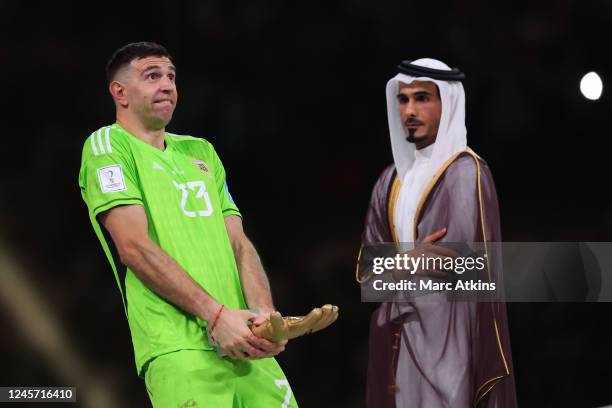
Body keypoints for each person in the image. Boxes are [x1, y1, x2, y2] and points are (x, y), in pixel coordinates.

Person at [78, 42, 297, 407]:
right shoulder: (107, 147)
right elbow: (133, 247)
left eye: (171, 77)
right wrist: (216, 316)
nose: (167, 85)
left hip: (244, 341)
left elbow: (239, 242)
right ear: (120, 92)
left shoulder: (201, 152)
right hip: (178, 347)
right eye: (152, 76)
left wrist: (263, 314)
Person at [357, 59, 517, 407]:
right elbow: (369, 280)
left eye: (423, 98)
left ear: (448, 103)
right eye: (403, 99)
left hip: (454, 348)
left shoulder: (465, 172)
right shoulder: (389, 182)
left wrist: (398, 267)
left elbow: (454, 266)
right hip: (400, 345)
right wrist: (409, 263)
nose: (410, 110)